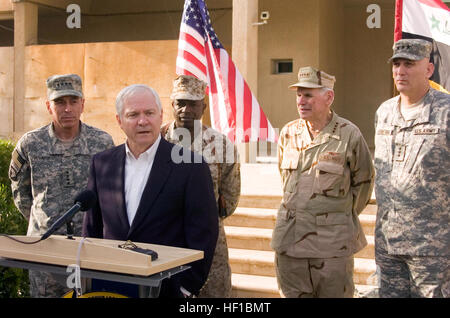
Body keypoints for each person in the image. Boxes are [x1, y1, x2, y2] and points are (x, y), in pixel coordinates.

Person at [82, 84, 219, 298]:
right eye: (133, 114)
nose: (142, 121)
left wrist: (186, 288)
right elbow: (91, 229)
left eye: (149, 113)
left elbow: (204, 234)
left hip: (167, 288)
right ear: (119, 120)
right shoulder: (102, 164)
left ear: (161, 115)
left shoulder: (191, 166)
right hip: (110, 286)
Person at [270, 66, 374, 298]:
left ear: (329, 97)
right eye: (298, 94)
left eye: (308, 94)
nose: (301, 101)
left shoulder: (349, 135)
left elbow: (364, 184)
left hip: (331, 246)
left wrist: (333, 215)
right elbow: (285, 180)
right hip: (289, 241)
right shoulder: (288, 133)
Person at [8, 74, 115, 297]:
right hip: (44, 247)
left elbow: (110, 192)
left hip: (87, 247)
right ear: (48, 106)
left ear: (82, 104)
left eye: (73, 101)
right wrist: (43, 221)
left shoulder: (102, 142)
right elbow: (20, 192)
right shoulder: (31, 143)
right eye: (59, 102)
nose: (67, 109)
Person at [374, 39, 449, 298]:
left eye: (409, 64)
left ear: (428, 69)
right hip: (388, 243)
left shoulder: (446, 111)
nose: (400, 71)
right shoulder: (384, 112)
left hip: (433, 247)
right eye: (396, 64)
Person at [161, 75, 240, 298]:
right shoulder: (157, 141)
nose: (186, 109)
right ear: (172, 105)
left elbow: (230, 197)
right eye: (180, 103)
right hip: (167, 238)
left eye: (193, 104)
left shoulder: (221, 144)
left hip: (210, 241)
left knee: (213, 295)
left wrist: (203, 219)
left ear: (203, 107)